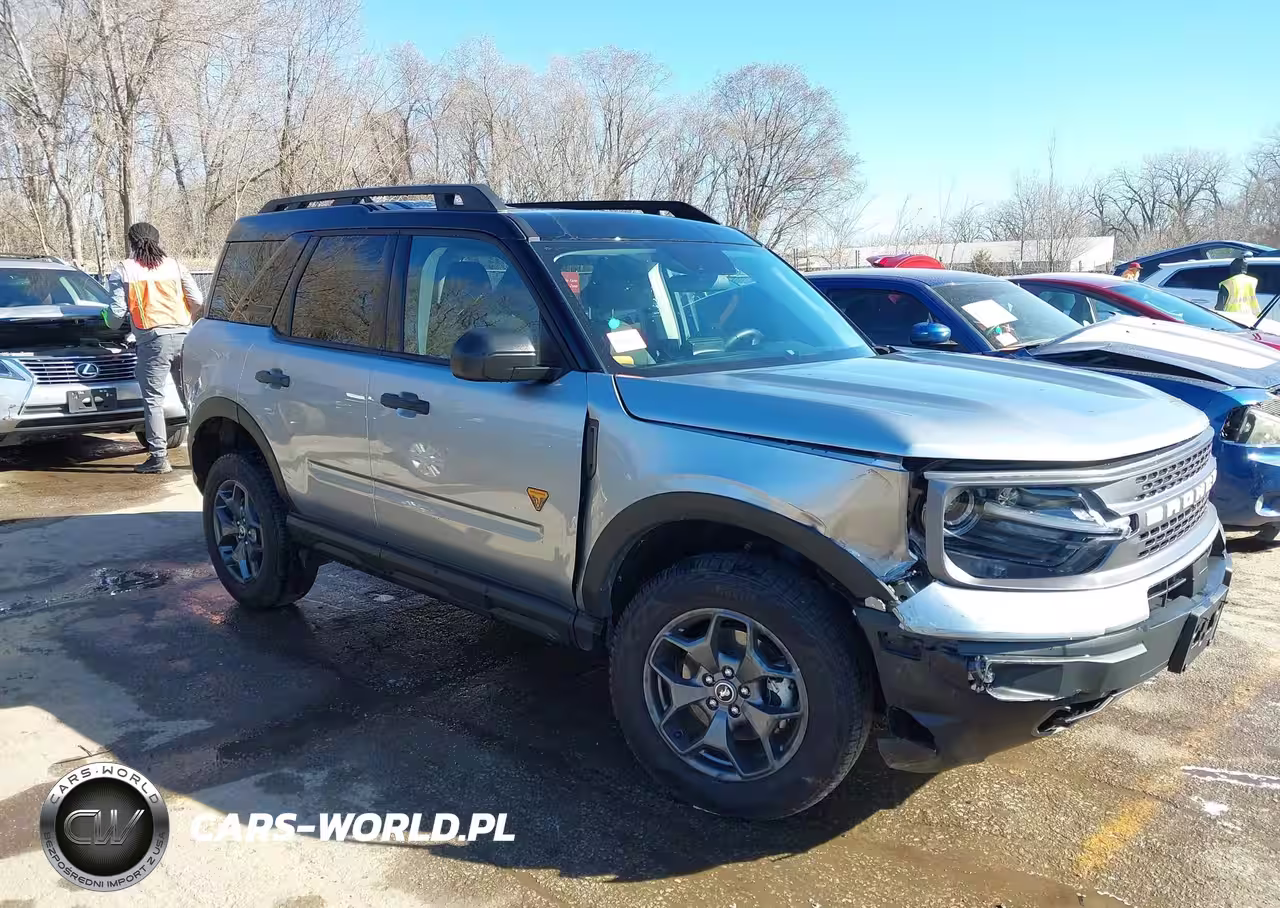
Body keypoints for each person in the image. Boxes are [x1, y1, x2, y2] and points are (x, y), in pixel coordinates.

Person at [104, 223, 204, 474]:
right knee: (192, 398)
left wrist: (105, 320)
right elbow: (198, 300)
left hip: (153, 340)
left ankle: (159, 458)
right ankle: (203, 455)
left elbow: (115, 316)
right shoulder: (175, 266)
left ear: (131, 242)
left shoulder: (124, 270)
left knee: (153, 401)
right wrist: (186, 321)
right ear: (158, 240)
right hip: (186, 336)